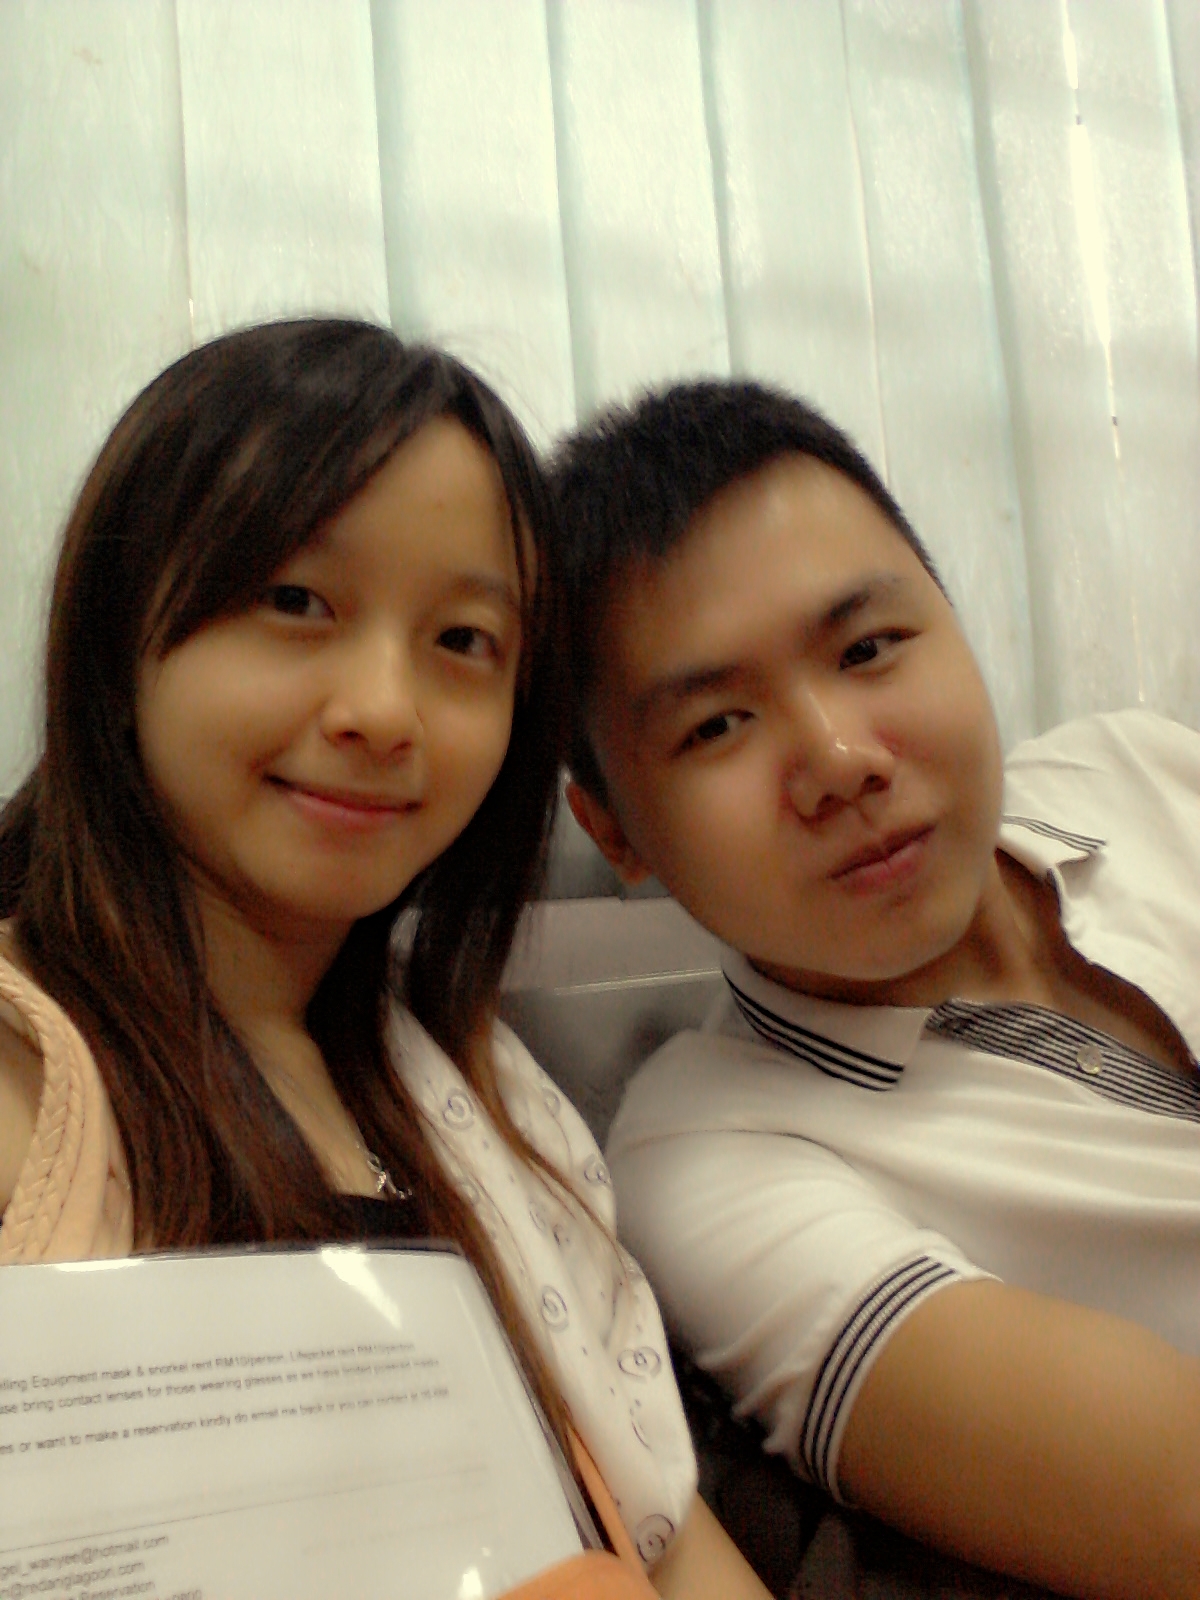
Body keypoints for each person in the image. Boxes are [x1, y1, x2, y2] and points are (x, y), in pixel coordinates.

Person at [0, 322, 770, 1600]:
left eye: (463, 640)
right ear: (119, 628)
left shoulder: (488, 1100)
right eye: (296, 602)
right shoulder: (29, 1070)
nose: (384, 712)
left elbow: (664, 1533)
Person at [550, 378, 1200, 1600]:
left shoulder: (1144, 765)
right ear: (613, 828)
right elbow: (1179, 1509)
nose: (842, 760)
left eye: (867, 650)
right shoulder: (708, 1159)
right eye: (717, 725)